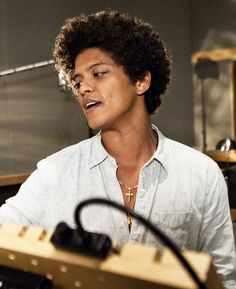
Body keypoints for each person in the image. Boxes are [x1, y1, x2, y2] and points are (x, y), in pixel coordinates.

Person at [0, 10, 235, 288]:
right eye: (77, 81)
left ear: (141, 81)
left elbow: (225, 277)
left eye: (98, 73)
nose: (84, 88)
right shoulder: (53, 173)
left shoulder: (202, 173)